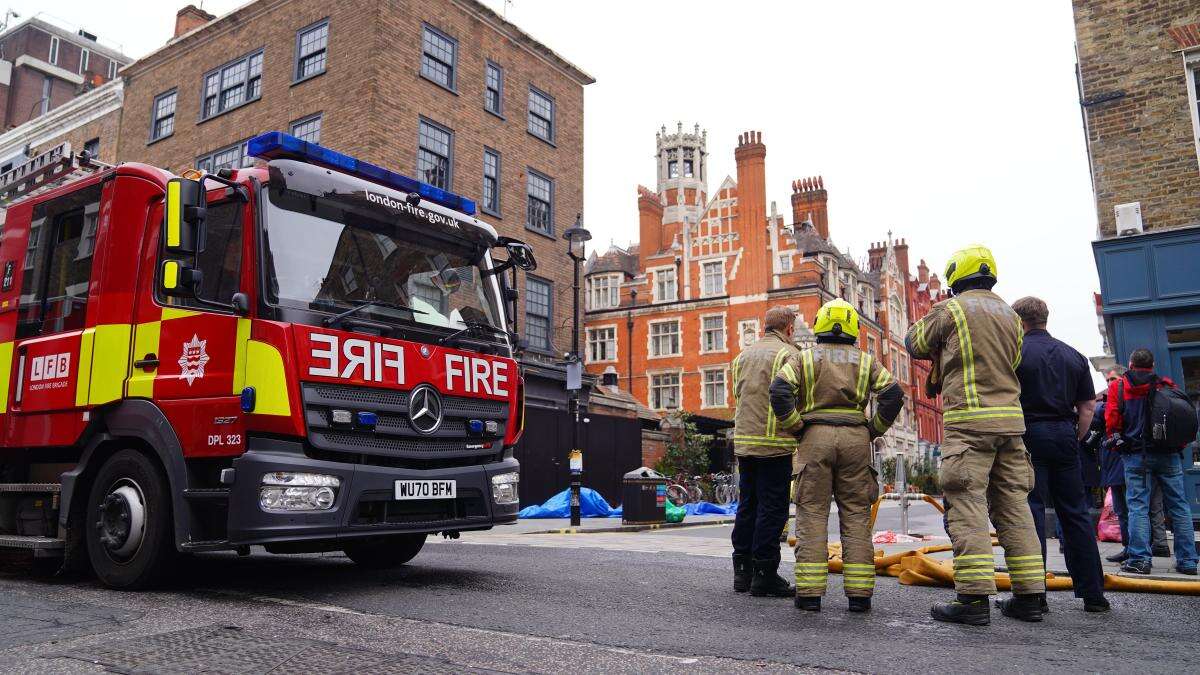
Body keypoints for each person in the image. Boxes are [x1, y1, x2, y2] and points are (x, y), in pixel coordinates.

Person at [906, 245, 1045, 626]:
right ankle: (1030, 596)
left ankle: (972, 599)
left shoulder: (951, 310)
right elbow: (1014, 362)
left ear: (956, 278)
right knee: (1014, 508)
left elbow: (913, 342)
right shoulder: (1011, 315)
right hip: (1011, 426)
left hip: (969, 423)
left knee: (967, 506)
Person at [769, 299, 904, 613]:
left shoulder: (805, 359)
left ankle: (810, 595)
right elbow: (893, 394)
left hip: (815, 438)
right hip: (856, 438)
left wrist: (797, 428)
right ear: (854, 329)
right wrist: (873, 429)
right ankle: (859, 596)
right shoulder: (866, 361)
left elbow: (779, 390)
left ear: (819, 325)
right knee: (856, 516)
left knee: (812, 515)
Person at [1010, 297, 1108, 613]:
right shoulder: (1074, 356)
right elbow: (1088, 407)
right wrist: (1074, 437)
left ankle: (1034, 595)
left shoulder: (1015, 355)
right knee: (1075, 513)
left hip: (1028, 434)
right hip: (1065, 435)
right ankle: (1094, 594)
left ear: (1019, 321)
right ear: (1045, 319)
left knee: (1031, 512)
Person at [729, 306, 804, 597]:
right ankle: (765, 574)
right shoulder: (789, 355)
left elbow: (739, 396)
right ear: (788, 329)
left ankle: (742, 572)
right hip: (776, 446)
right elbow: (793, 396)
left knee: (748, 505)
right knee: (772, 509)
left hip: (745, 444)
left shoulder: (742, 356)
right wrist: (797, 427)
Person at [1104, 348, 1198, 575]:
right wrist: (1178, 447)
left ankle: (1140, 560)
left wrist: (1120, 444)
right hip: (1168, 455)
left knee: (1137, 507)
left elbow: (1111, 424)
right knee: (1179, 506)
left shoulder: (1119, 388)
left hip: (1135, 456)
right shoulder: (1165, 386)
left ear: (1130, 363)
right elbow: (1181, 420)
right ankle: (1187, 561)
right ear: (1153, 365)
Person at [1093, 367, 1171, 562]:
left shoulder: (1120, 400)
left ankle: (1137, 550)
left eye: (1114, 379)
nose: (1110, 383)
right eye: (1108, 380)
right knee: (1125, 509)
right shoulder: (1115, 400)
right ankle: (1135, 547)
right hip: (1116, 464)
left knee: (1134, 508)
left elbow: (1099, 416)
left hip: (1126, 462)